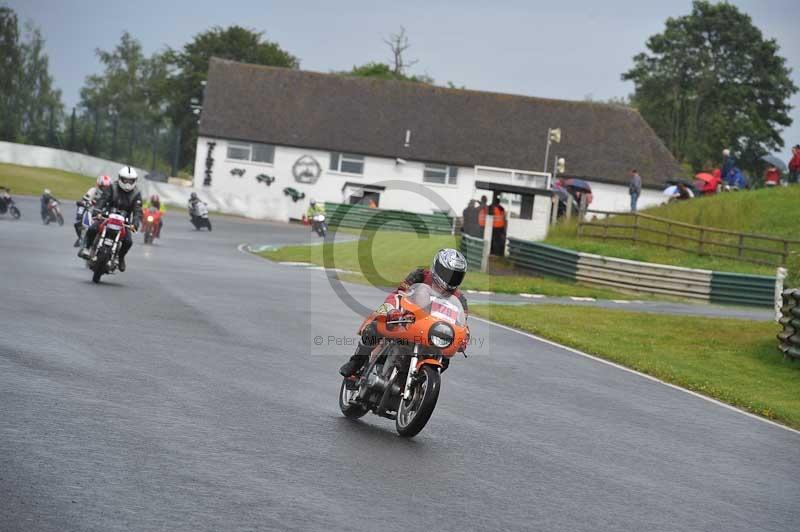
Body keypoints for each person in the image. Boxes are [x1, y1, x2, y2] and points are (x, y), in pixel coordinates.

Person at [339, 248, 469, 378]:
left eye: (456, 275)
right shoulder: (421, 275)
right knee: (376, 323)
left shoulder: (459, 298)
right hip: (408, 317)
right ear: (437, 268)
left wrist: (464, 337)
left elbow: (462, 323)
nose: (451, 278)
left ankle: (419, 384)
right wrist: (393, 310)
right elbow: (400, 293)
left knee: (445, 359)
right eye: (447, 273)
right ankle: (357, 362)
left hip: (433, 332)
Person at [78, 166, 142, 272]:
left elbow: (138, 211)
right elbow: (102, 200)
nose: (128, 183)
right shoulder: (112, 187)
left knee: (128, 241)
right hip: (107, 215)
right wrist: (97, 211)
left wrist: (135, 223)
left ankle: (120, 258)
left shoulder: (136, 194)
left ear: (135, 181)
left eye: (131, 181)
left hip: (124, 221)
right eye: (125, 180)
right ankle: (87, 248)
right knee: (93, 228)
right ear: (120, 178)